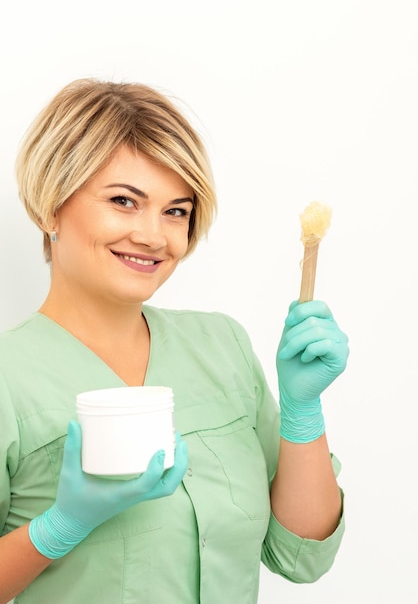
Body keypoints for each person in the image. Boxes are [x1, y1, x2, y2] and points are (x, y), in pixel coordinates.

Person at [0, 78, 349, 604]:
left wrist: (303, 411)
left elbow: (300, 553)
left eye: (176, 211)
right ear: (50, 206)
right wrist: (58, 529)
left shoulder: (221, 346)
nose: (154, 236)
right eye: (123, 201)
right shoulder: (10, 377)